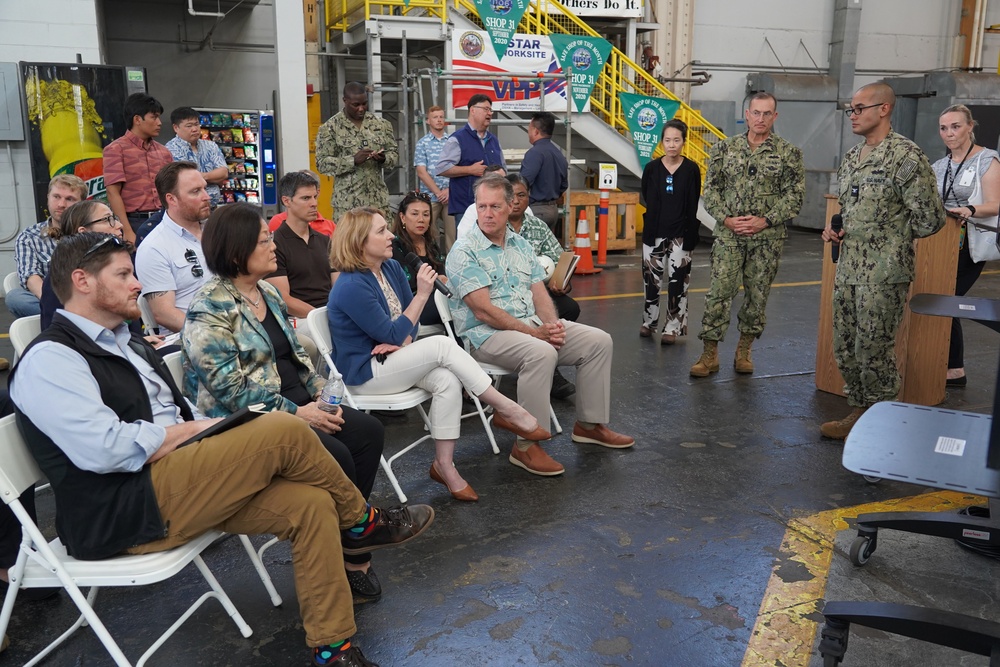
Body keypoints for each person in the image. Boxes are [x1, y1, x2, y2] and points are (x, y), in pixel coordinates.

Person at [8, 231, 434, 667]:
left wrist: (200, 429)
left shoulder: (125, 340)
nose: (138, 284)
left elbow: (172, 414)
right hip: (122, 509)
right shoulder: (52, 358)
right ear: (82, 281)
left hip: (175, 481)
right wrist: (194, 430)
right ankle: (363, 522)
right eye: (123, 274)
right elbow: (107, 451)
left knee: (312, 504)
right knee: (281, 429)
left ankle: (334, 650)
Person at [182, 202, 386, 602]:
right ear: (237, 251)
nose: (274, 245)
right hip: (253, 421)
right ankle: (348, 553)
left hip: (298, 405)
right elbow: (230, 390)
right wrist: (300, 413)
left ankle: (353, 549)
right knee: (336, 455)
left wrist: (321, 398)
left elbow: (297, 359)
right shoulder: (209, 307)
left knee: (367, 432)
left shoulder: (268, 294)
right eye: (264, 240)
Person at [327, 207, 550, 501]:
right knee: (443, 345)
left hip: (393, 358)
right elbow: (405, 320)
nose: (391, 234)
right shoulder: (351, 285)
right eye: (381, 231)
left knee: (446, 378)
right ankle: (508, 409)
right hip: (364, 373)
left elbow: (411, 322)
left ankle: (444, 465)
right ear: (358, 242)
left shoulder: (391, 268)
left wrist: (401, 338)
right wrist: (419, 298)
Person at [446, 176, 634, 477]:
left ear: (511, 206)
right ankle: (525, 446)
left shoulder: (520, 244)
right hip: (487, 337)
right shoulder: (464, 250)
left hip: (531, 327)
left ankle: (589, 425)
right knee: (541, 352)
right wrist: (536, 334)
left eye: (495, 206)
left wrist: (553, 325)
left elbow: (538, 292)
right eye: (481, 206)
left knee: (599, 341)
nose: (487, 213)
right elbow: (483, 312)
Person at [820, 82, 945, 440]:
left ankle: (882, 422)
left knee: (874, 347)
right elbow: (851, 209)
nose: (853, 115)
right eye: (851, 109)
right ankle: (859, 412)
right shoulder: (851, 158)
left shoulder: (905, 157)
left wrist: (890, 237)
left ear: (884, 109)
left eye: (860, 108)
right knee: (845, 345)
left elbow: (930, 219)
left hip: (884, 272)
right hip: (849, 270)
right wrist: (837, 229)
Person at [689, 92, 804, 377]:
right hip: (729, 236)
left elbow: (795, 196)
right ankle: (709, 353)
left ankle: (744, 350)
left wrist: (765, 220)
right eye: (756, 112)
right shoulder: (724, 150)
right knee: (719, 293)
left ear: (774, 117)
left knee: (757, 295)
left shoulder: (789, 153)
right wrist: (726, 219)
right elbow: (711, 190)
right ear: (747, 114)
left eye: (767, 114)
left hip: (766, 239)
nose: (761, 119)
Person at [930, 104, 1000, 387]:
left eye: (956, 126)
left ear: (970, 126)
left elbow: (995, 203)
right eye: (944, 128)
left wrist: (970, 209)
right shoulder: (938, 165)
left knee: (947, 298)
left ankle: (954, 369)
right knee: (941, 300)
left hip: (969, 245)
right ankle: (951, 368)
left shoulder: (987, 160)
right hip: (940, 243)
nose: (949, 133)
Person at [506, 174, 578, 400]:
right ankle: (543, 368)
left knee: (569, 308)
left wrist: (561, 283)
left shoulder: (538, 226)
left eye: (522, 195)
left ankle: (545, 365)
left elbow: (559, 259)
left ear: (529, 198)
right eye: (511, 195)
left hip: (538, 293)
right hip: (508, 297)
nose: (516, 201)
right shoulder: (495, 226)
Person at [639, 119, 702, 346]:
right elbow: (645, 194)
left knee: (678, 282)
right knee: (651, 281)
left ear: (684, 142)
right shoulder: (652, 168)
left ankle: (673, 327)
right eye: (668, 140)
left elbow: (694, 200)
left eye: (676, 140)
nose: (672, 145)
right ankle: (649, 322)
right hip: (654, 233)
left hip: (681, 235)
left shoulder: (691, 169)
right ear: (662, 142)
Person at [134, 161, 213, 335]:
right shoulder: (154, 247)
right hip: (193, 342)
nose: (206, 196)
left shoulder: (218, 231)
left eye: (204, 188)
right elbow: (164, 314)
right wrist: (214, 335)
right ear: (171, 199)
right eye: (195, 191)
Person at [315, 82, 398, 221]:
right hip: (347, 205)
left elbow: (394, 155)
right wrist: (352, 160)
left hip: (377, 202)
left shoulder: (381, 124)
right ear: (345, 101)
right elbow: (322, 163)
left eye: (364, 104)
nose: (361, 109)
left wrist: (384, 159)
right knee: (349, 243)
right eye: (356, 105)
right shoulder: (330, 128)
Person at [6, 175, 87, 318]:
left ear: (82, 204)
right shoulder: (29, 237)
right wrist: (57, 304)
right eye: (56, 196)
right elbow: (31, 278)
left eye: (69, 199)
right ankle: (74, 317)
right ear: (48, 197)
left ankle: (73, 318)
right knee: (16, 298)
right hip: (52, 300)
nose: (61, 204)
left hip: (88, 297)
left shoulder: (91, 232)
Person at [39, 199, 127, 330]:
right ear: (84, 231)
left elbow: (129, 325)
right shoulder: (60, 279)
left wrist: (137, 342)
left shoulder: (115, 265)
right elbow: (58, 336)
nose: (120, 225)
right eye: (108, 219)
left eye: (115, 218)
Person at [103, 93, 173, 244]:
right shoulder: (115, 149)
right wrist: (126, 230)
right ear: (137, 119)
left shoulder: (164, 152)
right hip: (134, 222)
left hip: (164, 219)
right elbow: (113, 192)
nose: (159, 122)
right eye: (154, 117)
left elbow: (172, 190)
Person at [266, 170, 335, 318]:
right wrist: (322, 318)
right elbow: (283, 299)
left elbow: (339, 287)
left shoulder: (326, 241)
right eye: (306, 198)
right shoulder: (274, 245)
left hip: (332, 314)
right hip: (300, 321)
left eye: (315, 197)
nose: (314, 203)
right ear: (287, 201)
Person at [436, 94, 506, 222]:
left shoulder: (493, 140)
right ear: (472, 110)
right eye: (486, 109)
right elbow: (442, 168)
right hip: (466, 208)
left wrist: (500, 173)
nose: (490, 113)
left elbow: (504, 168)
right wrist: (470, 170)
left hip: (493, 208)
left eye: (491, 110)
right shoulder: (457, 139)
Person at [391, 191, 446, 327]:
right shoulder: (394, 246)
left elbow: (441, 274)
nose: (421, 219)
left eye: (426, 214)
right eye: (415, 214)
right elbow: (408, 285)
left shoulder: (431, 244)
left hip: (436, 300)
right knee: (456, 307)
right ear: (403, 217)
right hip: (411, 307)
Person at [165, 106, 229, 210]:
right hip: (187, 211)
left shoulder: (210, 146)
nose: (194, 129)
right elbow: (185, 180)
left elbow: (223, 173)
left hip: (212, 208)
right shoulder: (170, 149)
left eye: (196, 124)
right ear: (176, 128)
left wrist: (203, 177)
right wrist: (213, 178)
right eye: (189, 126)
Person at [519, 112, 568, 231]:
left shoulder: (535, 153)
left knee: (530, 247)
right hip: (553, 209)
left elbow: (523, 183)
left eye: (529, 128)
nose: (528, 132)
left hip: (536, 210)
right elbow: (564, 185)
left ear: (535, 131)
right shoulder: (558, 154)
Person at [414, 106, 453, 250]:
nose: (439, 120)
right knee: (429, 235)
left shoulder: (453, 142)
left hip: (450, 196)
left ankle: (452, 268)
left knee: (453, 236)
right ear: (428, 121)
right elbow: (421, 172)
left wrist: (448, 190)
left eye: (441, 117)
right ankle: (433, 265)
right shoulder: (422, 144)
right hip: (430, 197)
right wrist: (438, 192)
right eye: (435, 117)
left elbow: (458, 168)